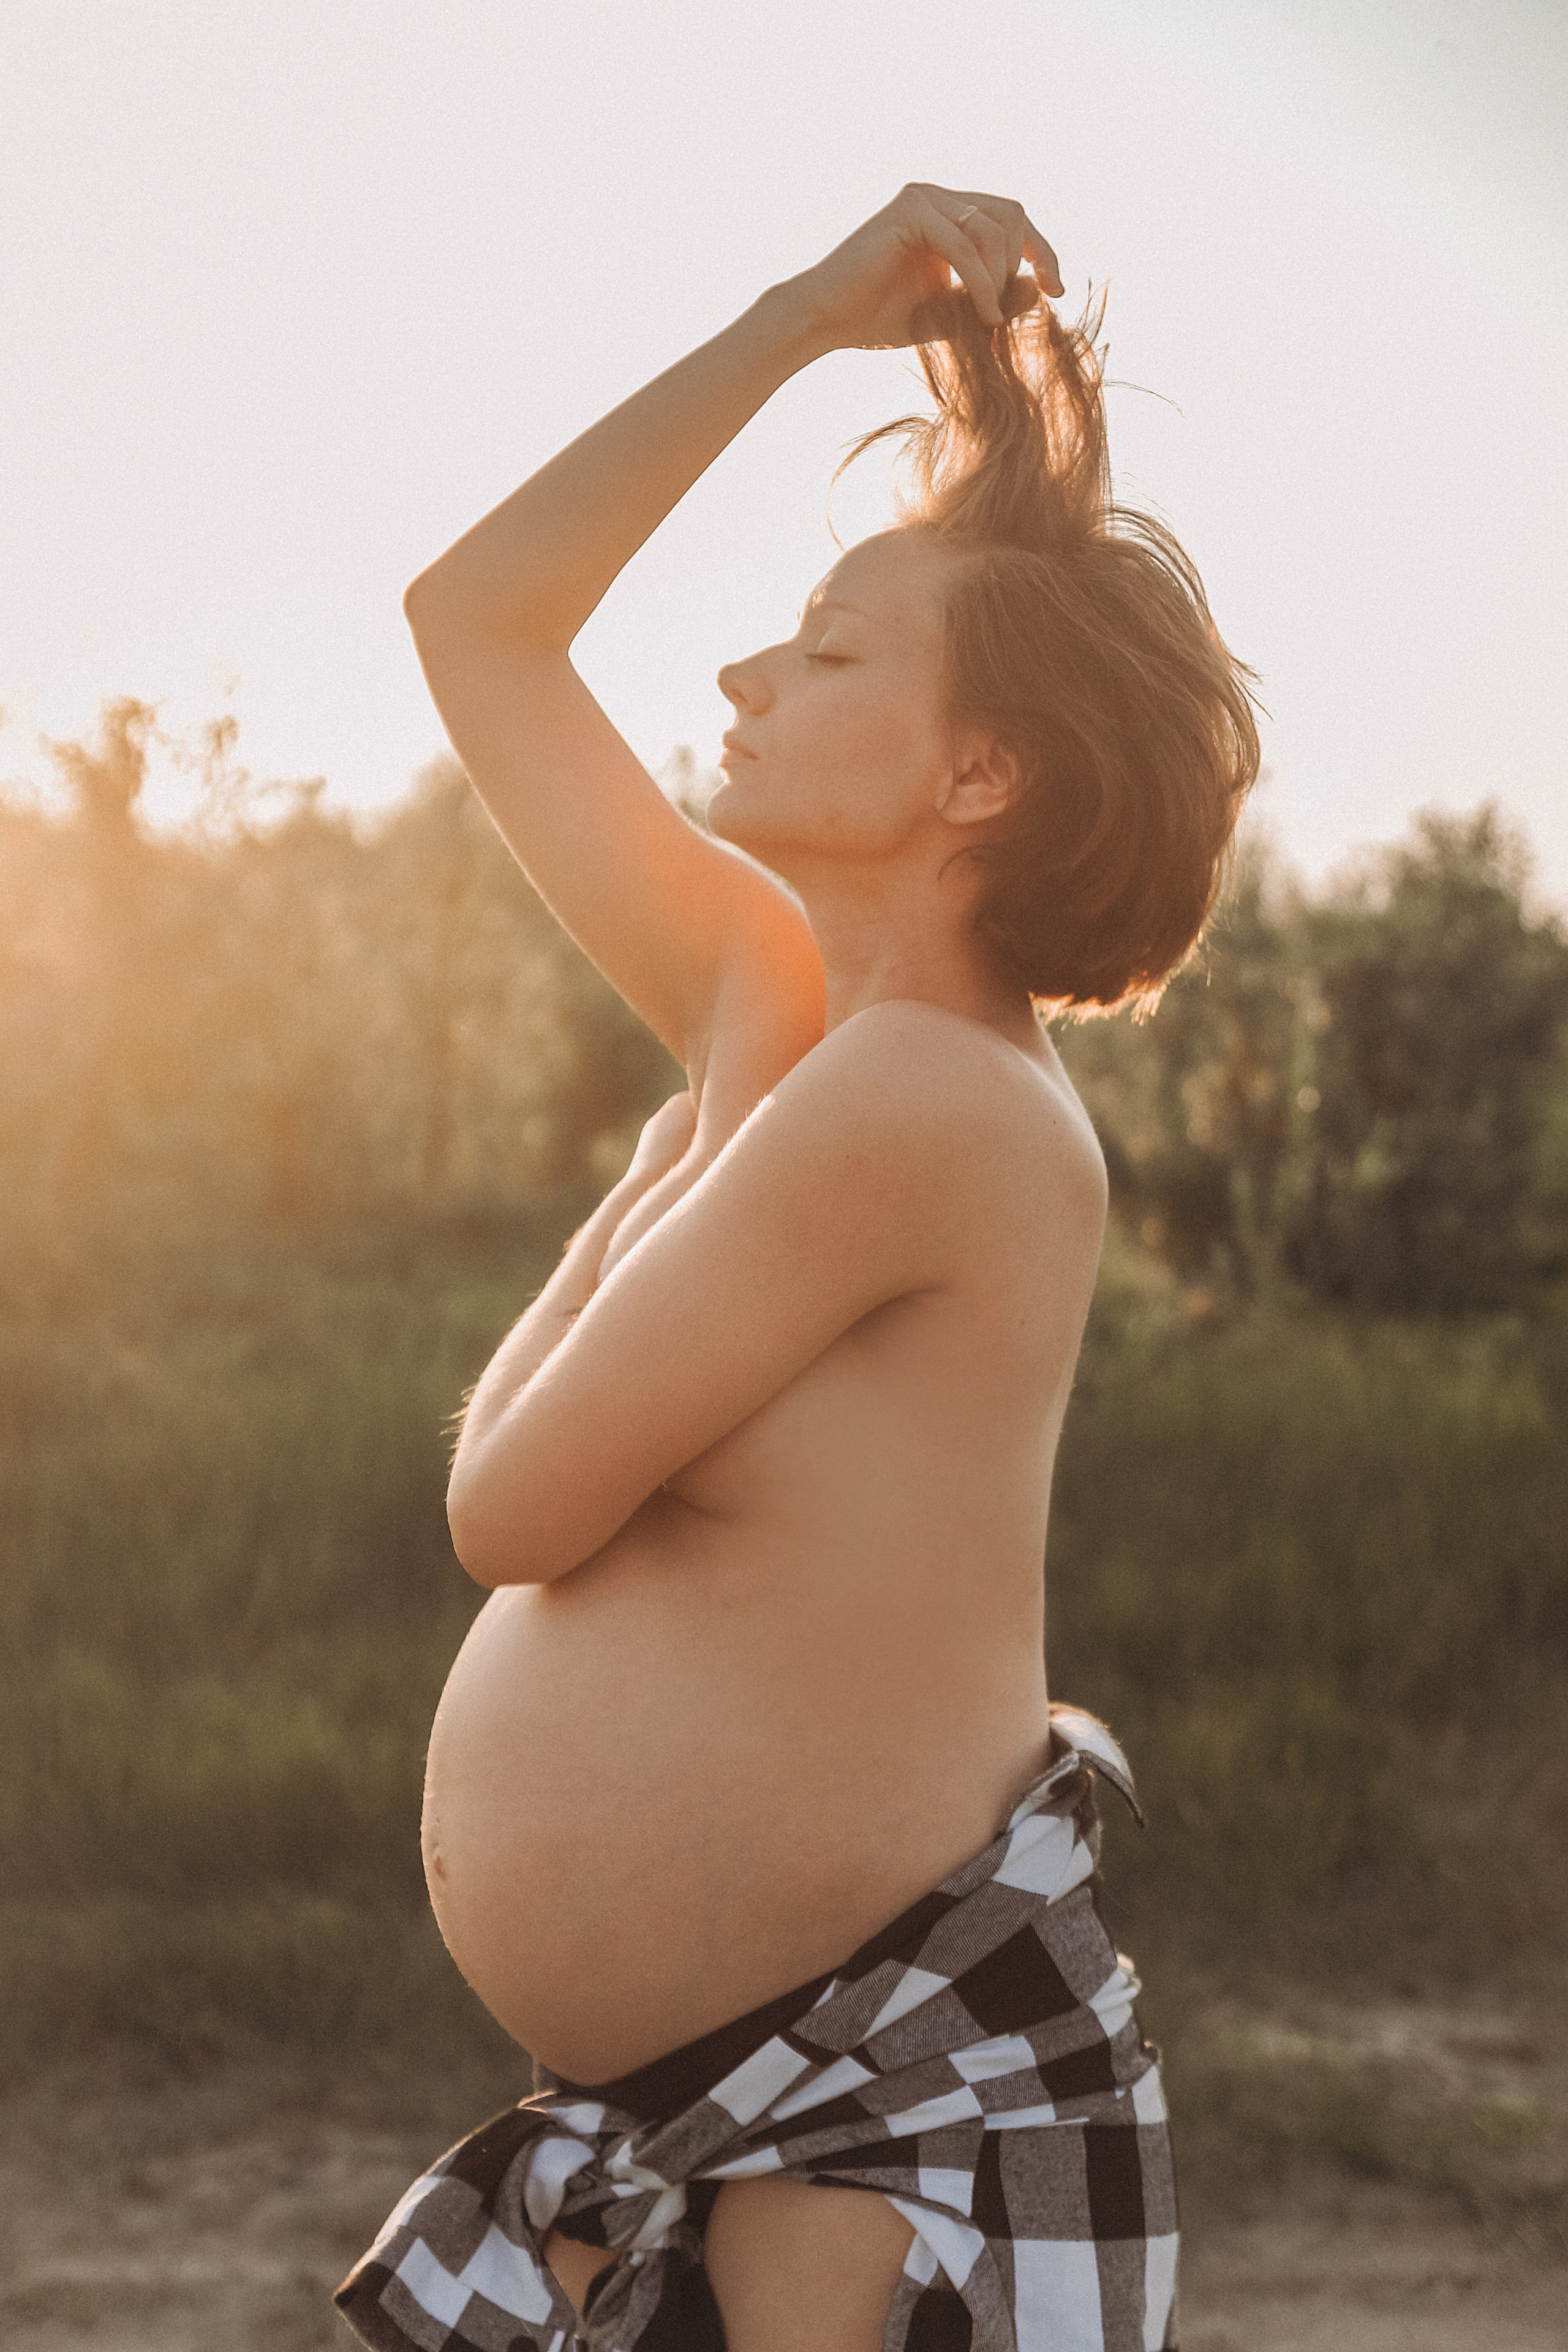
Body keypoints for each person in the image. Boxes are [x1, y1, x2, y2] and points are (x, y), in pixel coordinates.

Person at [336, 183, 1259, 2352]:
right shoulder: (793, 1018)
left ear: (977, 772)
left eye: (833, 647)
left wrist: (666, 1157)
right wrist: (786, 322)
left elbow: (512, 1506)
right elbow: (474, 622)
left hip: (871, 2131)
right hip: (740, 2115)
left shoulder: (925, 1099)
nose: (749, 667)